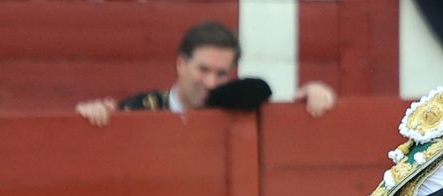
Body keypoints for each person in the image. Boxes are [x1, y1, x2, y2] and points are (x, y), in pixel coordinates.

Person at [75, 21, 336, 126]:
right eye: (203, 70)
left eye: (221, 73)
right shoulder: (141, 108)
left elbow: (260, 91)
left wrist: (307, 95)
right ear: (180, 64)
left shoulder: (233, 102)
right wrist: (92, 115)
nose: (211, 82)